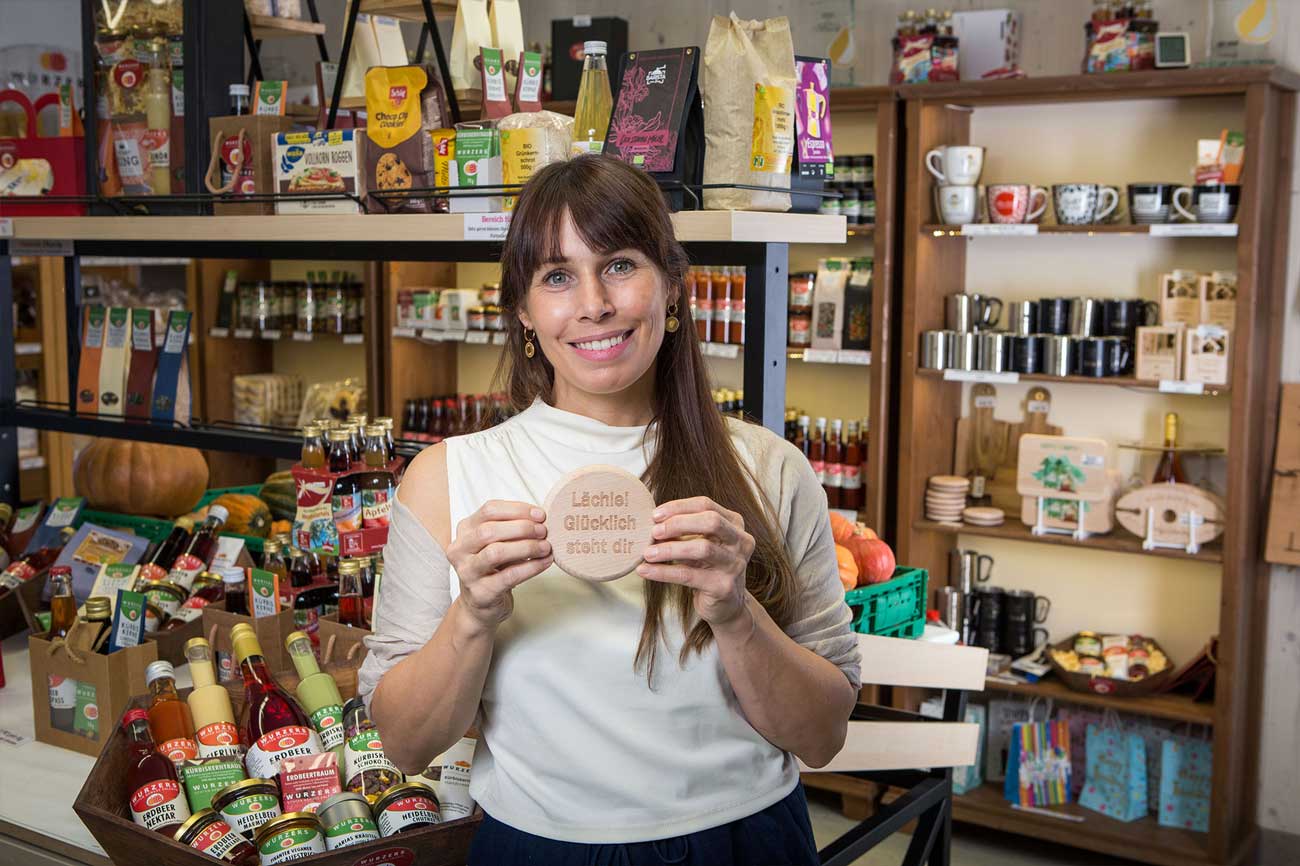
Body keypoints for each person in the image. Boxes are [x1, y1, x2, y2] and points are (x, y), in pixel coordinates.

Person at [358, 155, 861, 865]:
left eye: (620, 265)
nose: (593, 302)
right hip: (539, 848)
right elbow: (405, 743)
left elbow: (822, 736)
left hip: (746, 841)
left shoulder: (770, 470)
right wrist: (470, 615)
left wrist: (734, 613)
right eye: (557, 276)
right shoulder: (447, 478)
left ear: (673, 290)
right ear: (525, 313)